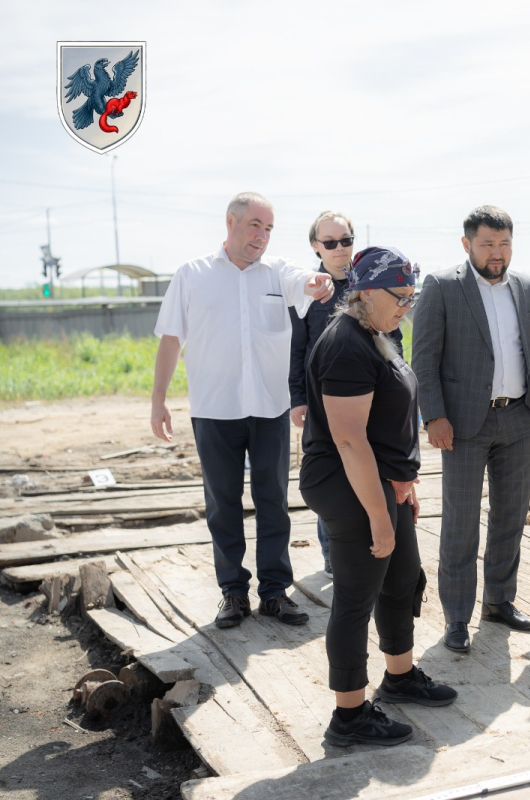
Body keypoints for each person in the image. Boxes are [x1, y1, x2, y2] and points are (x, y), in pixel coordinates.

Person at [150, 192, 334, 628]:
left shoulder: (279, 271)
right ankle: (233, 593)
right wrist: (158, 401)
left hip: (269, 409)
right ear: (230, 222)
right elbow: (171, 340)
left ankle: (274, 592)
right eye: (255, 225)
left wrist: (318, 282)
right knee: (222, 505)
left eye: (269, 228)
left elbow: (307, 280)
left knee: (274, 502)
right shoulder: (192, 274)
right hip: (215, 409)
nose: (263, 236)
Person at [299, 246, 457, 747]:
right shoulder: (346, 343)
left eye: (412, 297)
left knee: (402, 579)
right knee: (355, 597)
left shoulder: (378, 332)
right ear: (366, 292)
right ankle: (349, 715)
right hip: (348, 484)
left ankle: (400, 675)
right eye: (400, 296)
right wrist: (378, 517)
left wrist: (402, 486)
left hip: (382, 483)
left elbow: (387, 419)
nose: (406, 306)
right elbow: (349, 440)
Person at [411, 206, 530, 654]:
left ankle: (498, 601)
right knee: (460, 524)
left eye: (504, 243)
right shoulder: (442, 286)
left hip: (520, 419)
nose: (497, 252)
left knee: (510, 517)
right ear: (467, 243)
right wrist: (432, 416)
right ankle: (456, 617)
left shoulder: (526, 287)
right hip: (463, 423)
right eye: (488, 243)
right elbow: (424, 357)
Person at [289, 210, 403, 578]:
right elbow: (297, 346)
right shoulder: (308, 289)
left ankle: (374, 538)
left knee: (370, 465)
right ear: (315, 246)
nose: (340, 248)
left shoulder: (373, 283)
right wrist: (298, 398)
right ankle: (333, 553)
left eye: (346, 240)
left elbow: (393, 340)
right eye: (331, 242)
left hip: (371, 393)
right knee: (338, 470)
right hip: (325, 398)